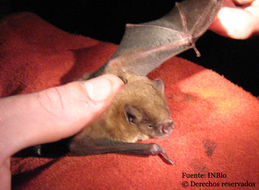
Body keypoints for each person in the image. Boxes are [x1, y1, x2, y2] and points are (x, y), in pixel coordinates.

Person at [0, 0, 258, 189]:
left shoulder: (126, 75)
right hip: (62, 132)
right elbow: (79, 144)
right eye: (151, 124)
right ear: (131, 119)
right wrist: (148, 148)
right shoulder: (105, 126)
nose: (167, 129)